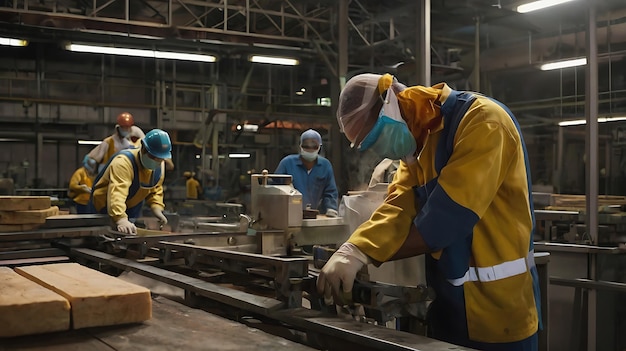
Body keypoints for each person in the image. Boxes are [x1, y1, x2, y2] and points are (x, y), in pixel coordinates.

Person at [317, 73, 541, 350]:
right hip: (449, 309)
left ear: (390, 105)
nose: (378, 150)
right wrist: (354, 249)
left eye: (374, 137)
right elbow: (398, 205)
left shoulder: (484, 122)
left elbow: (446, 219)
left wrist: (367, 258)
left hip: (500, 314)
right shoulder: (418, 145)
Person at [90, 128, 172, 235]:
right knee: (99, 238)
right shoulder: (123, 163)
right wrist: (120, 218)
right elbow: (117, 193)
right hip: (103, 208)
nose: (156, 161)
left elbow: (155, 188)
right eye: (153, 157)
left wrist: (156, 208)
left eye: (160, 158)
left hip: (131, 208)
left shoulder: (159, 166)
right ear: (143, 148)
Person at [275, 129, 339, 217]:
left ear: (319, 147)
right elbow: (275, 188)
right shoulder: (287, 163)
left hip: (313, 214)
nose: (310, 149)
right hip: (287, 214)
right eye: (306, 146)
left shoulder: (325, 165)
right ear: (300, 146)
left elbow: (330, 191)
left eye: (314, 146)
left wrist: (331, 208)